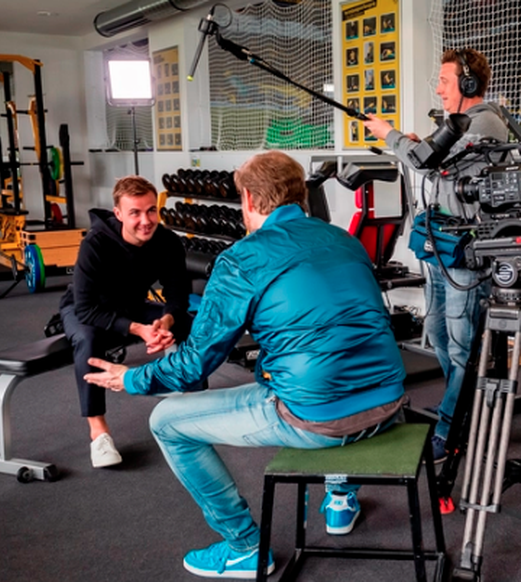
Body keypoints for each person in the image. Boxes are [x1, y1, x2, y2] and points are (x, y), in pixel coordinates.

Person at [84, 151, 406, 579]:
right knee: (322, 368)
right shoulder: (345, 241)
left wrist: (134, 378)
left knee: (166, 420)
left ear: (249, 200)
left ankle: (244, 548)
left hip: (316, 418)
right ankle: (340, 496)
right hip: (389, 404)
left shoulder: (241, 259)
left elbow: (194, 364)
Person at [363, 48, 509, 462]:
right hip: (439, 247)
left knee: (462, 345)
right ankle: (459, 409)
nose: (439, 89)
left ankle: (451, 428)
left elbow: (430, 164)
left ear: (466, 84)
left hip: (465, 257)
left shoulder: (485, 122)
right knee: (441, 336)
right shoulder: (458, 124)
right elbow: (434, 163)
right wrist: (413, 144)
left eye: (444, 81)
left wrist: (390, 135)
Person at [59, 175, 191, 468]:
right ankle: (99, 433)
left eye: (151, 210)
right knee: (88, 341)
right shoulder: (95, 243)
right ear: (118, 214)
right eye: (135, 212)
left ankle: (192, 405)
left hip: (131, 306)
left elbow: (178, 295)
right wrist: (139, 329)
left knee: (187, 324)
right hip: (87, 309)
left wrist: (166, 322)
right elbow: (86, 308)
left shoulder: (167, 241)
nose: (145, 220)